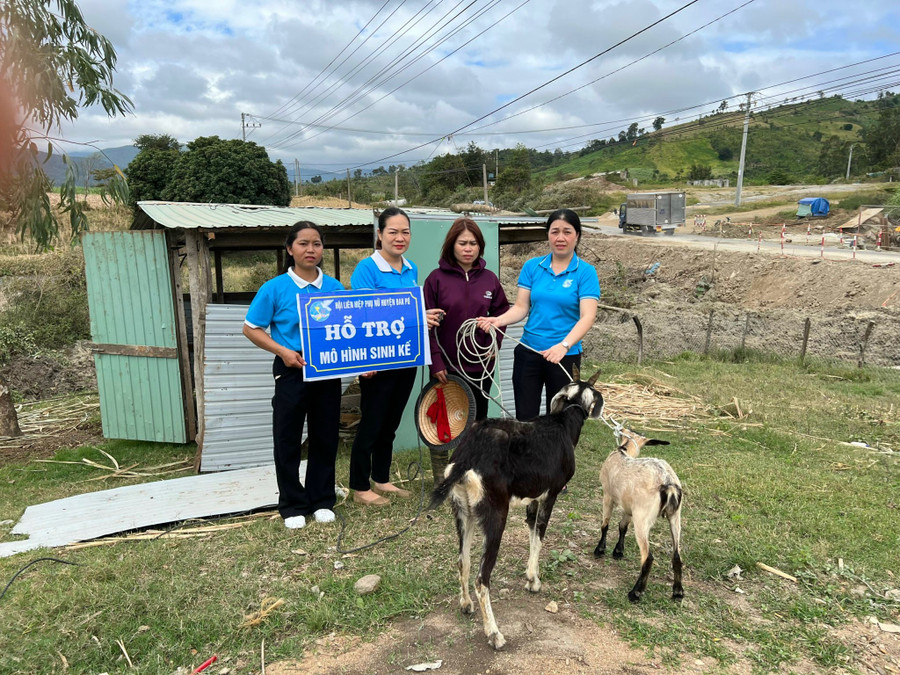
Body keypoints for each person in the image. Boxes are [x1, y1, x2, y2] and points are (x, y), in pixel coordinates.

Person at [243, 221, 344, 530]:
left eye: (316, 244)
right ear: (289, 249)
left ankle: (322, 500)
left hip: (328, 370)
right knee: (287, 438)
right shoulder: (274, 288)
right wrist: (283, 352)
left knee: (325, 436)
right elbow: (250, 328)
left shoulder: (334, 288)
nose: (310, 249)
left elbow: (346, 332)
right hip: (291, 370)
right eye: (303, 244)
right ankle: (291, 504)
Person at [349, 207, 443, 506]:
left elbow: (406, 309)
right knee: (372, 423)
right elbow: (365, 313)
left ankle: (382, 478)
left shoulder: (410, 268)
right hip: (377, 360)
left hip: (405, 356)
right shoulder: (366, 269)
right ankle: (360, 485)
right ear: (380, 235)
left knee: (390, 423)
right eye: (393, 232)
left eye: (405, 232)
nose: (399, 237)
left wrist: (421, 316)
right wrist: (417, 313)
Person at [478, 209, 600, 421]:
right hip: (528, 353)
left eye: (567, 232)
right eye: (555, 232)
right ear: (548, 235)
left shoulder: (585, 272)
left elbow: (587, 316)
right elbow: (521, 307)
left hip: (564, 356)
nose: (560, 238)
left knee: (560, 422)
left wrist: (563, 346)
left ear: (577, 235)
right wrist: (498, 320)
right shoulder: (532, 267)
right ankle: (526, 456)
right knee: (526, 420)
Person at [423, 217, 510, 420]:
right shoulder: (436, 279)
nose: (468, 249)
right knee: (443, 422)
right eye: (462, 243)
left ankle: (476, 454)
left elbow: (501, 313)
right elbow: (427, 325)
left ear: (480, 246)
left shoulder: (489, 279)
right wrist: (435, 362)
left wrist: (494, 344)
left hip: (481, 367)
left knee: (477, 424)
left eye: (473, 243)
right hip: (446, 367)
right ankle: (442, 454)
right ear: (451, 245)